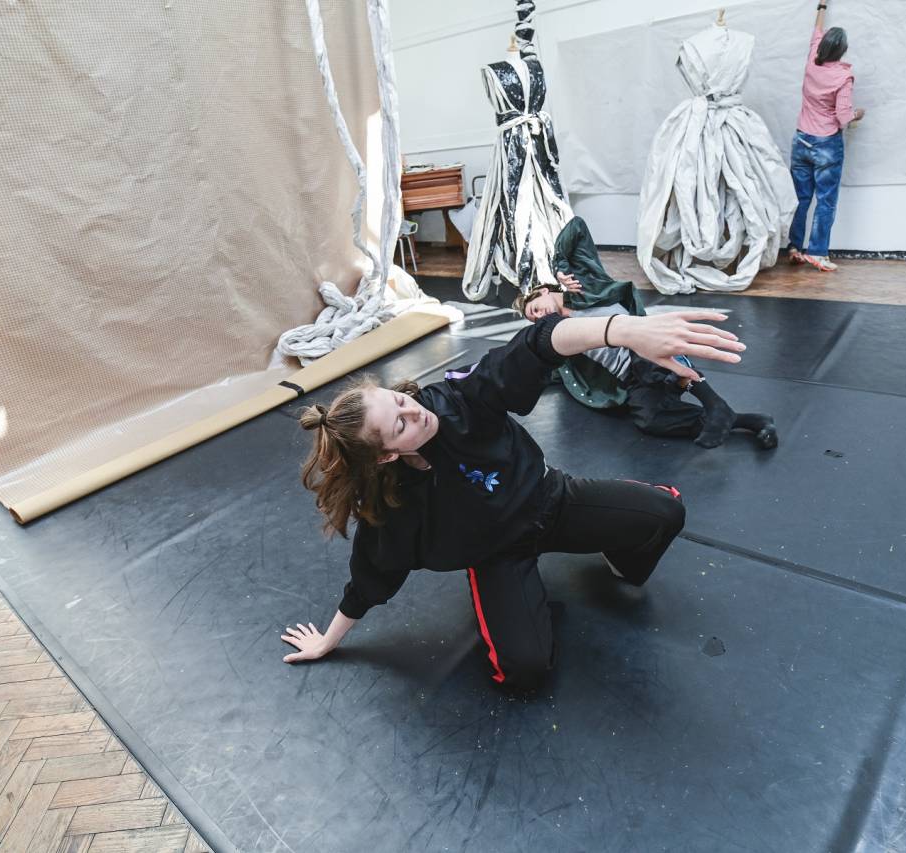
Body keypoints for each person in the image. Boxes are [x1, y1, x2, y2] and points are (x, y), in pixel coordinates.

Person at [281, 309, 746, 689]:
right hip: (497, 552)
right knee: (523, 671)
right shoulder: (396, 504)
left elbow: (535, 344)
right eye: (399, 424)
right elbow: (372, 575)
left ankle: (616, 557)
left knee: (667, 512)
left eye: (399, 400)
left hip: (552, 501)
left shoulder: (460, 401)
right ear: (385, 456)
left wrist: (620, 329)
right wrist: (328, 639)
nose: (413, 411)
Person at [514, 217, 777, 450]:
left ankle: (714, 403)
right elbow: (548, 370)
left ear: (544, 291)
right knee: (649, 420)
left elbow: (577, 227)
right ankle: (745, 420)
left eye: (535, 308)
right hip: (630, 377)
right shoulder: (561, 337)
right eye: (533, 319)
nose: (538, 317)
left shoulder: (583, 287)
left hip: (645, 346)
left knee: (648, 355)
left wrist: (560, 265)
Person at [787, 0, 865, 273]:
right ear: (842, 51)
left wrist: (821, 6)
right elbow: (843, 117)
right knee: (826, 201)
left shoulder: (812, 61)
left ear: (821, 48)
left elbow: (816, 30)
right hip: (826, 145)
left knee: (800, 198)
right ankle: (817, 253)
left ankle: (794, 247)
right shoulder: (843, 77)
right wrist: (858, 114)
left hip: (801, 140)